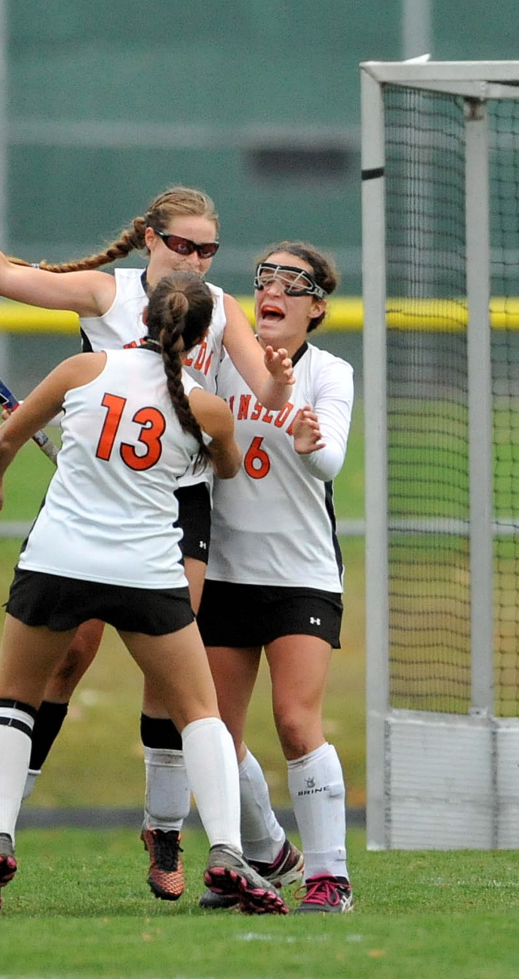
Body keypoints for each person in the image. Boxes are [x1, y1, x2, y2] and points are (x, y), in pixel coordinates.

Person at [0, 174, 298, 901]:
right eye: (183, 243)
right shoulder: (107, 294)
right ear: (151, 237)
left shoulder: (220, 311)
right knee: (68, 659)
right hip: (99, 497)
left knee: (170, 672)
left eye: (209, 249)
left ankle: (163, 828)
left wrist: (280, 381)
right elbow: (2, 276)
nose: (195, 259)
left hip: (175, 501)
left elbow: (263, 395)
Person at [195, 242, 355, 913]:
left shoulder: (330, 373)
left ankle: (329, 876)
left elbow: (332, 462)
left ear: (316, 306)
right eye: (266, 276)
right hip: (227, 571)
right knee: (215, 737)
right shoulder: (221, 363)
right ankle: (262, 851)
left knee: (295, 721)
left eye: (295, 281)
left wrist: (313, 443)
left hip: (300, 575)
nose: (275, 289)